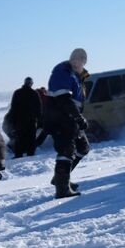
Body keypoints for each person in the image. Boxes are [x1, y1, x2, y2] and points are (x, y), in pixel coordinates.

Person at [44, 48, 90, 199]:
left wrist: (77, 117)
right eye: (75, 58)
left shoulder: (77, 76)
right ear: (71, 59)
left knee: (83, 148)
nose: (78, 61)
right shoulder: (62, 71)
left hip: (70, 118)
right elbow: (63, 98)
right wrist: (78, 118)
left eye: (81, 59)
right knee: (66, 150)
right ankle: (62, 188)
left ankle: (61, 178)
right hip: (59, 118)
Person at [9, 77, 43, 157]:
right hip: (31, 120)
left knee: (20, 138)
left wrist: (13, 121)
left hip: (19, 120)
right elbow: (39, 107)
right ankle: (30, 154)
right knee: (31, 138)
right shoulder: (34, 93)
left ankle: (18, 154)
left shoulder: (17, 93)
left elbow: (13, 108)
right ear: (31, 84)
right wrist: (39, 120)